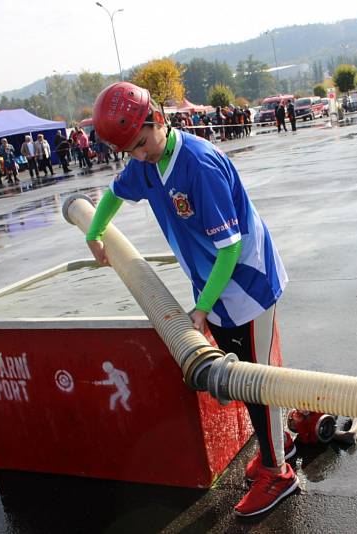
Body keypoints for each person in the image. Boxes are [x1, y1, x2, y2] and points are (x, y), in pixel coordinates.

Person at [85, 82, 297, 517]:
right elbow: (113, 194)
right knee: (244, 378)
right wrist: (95, 230)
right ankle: (281, 443)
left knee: (255, 380)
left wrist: (201, 308)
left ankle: (279, 473)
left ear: (157, 119)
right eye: (131, 151)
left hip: (247, 283)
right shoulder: (146, 165)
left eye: (142, 143)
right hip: (213, 287)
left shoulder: (197, 166)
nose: (140, 155)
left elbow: (231, 249)